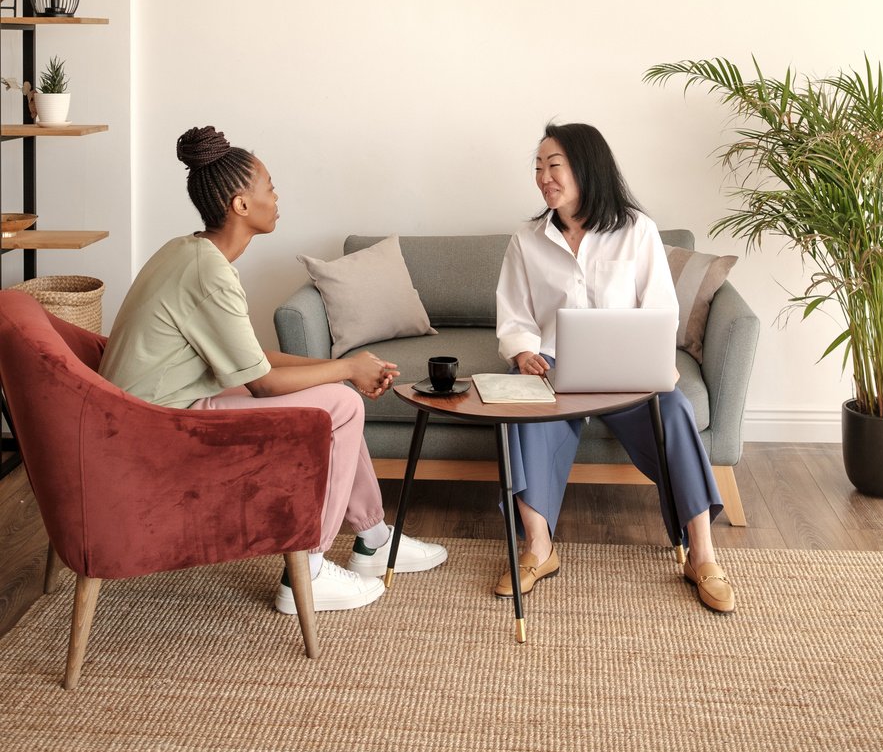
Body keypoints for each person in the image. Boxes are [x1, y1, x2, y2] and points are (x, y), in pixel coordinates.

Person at [99, 125, 447, 613]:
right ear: (241, 204)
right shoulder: (209, 271)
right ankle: (309, 569)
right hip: (157, 430)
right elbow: (263, 384)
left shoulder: (190, 252)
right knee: (342, 405)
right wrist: (346, 371)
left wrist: (342, 366)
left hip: (160, 409)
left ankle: (373, 539)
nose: (277, 197)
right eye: (270, 187)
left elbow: (253, 361)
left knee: (337, 393)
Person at [494, 121, 735, 613]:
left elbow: (661, 309)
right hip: (552, 366)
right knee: (521, 410)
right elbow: (515, 316)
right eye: (538, 167)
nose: (543, 177)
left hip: (623, 364)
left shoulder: (636, 230)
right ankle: (538, 547)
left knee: (675, 411)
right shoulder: (526, 239)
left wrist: (650, 358)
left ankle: (702, 555)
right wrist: (522, 353)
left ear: (586, 167)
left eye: (553, 165)